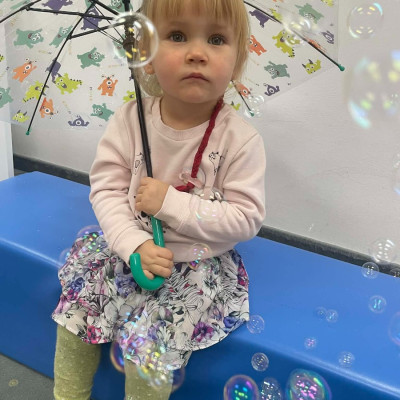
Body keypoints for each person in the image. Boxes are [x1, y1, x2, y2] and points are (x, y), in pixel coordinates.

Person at [52, 0, 266, 399]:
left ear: (237, 63)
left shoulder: (239, 140)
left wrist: (169, 202)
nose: (197, 52)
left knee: (149, 350)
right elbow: (107, 190)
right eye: (177, 36)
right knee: (75, 315)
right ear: (146, 58)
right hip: (125, 248)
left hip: (193, 265)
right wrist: (134, 244)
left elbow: (245, 218)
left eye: (216, 39)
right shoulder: (129, 120)